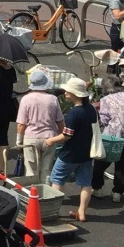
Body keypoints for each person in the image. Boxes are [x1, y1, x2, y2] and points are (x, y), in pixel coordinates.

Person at [46, 77, 98, 222]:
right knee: (85, 183)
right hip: (87, 153)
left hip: (69, 154)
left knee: (57, 179)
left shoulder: (74, 113)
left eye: (68, 91)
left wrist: (51, 139)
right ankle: (81, 212)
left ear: (75, 93)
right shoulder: (91, 109)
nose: (65, 93)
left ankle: (53, 211)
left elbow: (66, 135)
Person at [15, 68, 64, 184]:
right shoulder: (53, 99)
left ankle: (33, 195)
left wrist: (19, 140)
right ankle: (45, 193)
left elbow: (21, 124)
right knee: (46, 169)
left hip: (30, 138)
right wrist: (63, 136)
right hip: (49, 137)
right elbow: (60, 121)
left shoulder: (26, 99)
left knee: (31, 170)